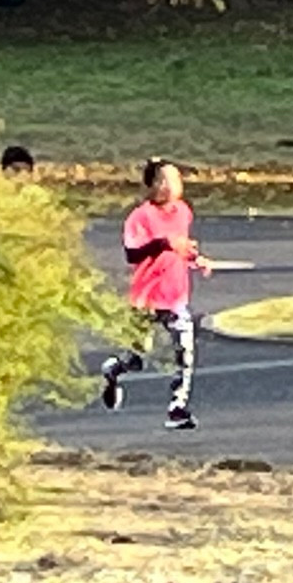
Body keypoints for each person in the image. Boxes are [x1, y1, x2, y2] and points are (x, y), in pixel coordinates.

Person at [101, 158, 209, 429]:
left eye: (175, 179)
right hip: (146, 298)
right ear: (150, 185)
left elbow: (181, 247)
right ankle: (114, 369)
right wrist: (162, 243)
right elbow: (132, 253)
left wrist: (196, 259)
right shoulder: (140, 217)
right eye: (162, 180)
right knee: (137, 357)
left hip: (175, 295)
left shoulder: (183, 212)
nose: (169, 186)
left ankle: (178, 407)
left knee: (185, 353)